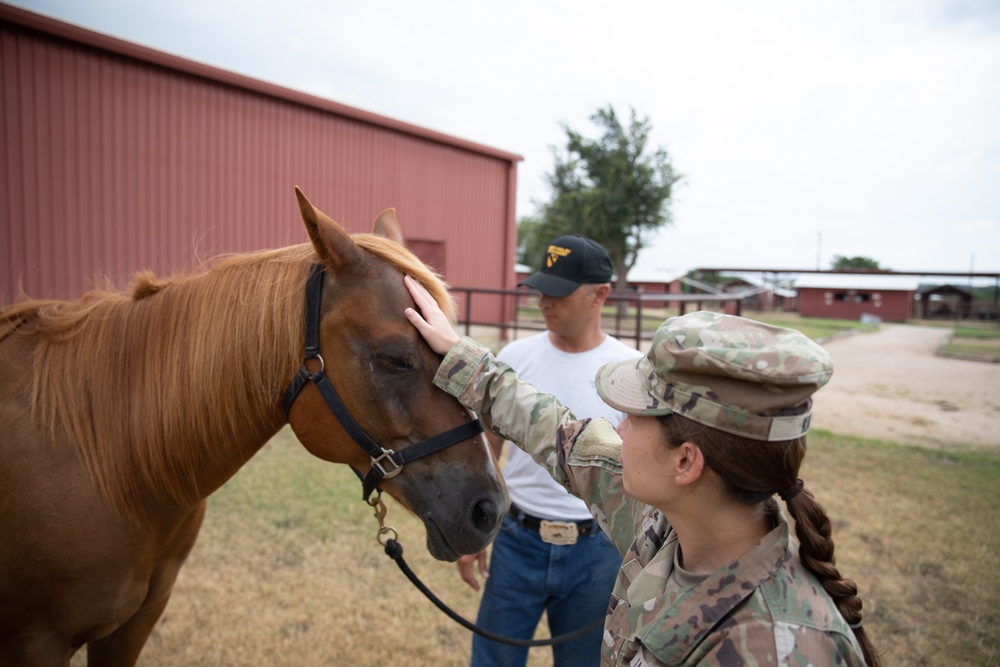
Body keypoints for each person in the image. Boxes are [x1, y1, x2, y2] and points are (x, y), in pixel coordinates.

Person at [404, 276, 880, 667]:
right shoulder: (664, 523)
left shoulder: (778, 647)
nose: (619, 427)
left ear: (686, 461)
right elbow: (558, 432)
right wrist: (459, 355)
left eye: (635, 415)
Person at [456, 235, 641, 667]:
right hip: (517, 540)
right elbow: (489, 450)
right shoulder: (516, 358)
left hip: (597, 551)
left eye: (558, 291)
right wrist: (476, 530)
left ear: (600, 294)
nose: (543, 300)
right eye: (540, 288)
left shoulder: (630, 371)